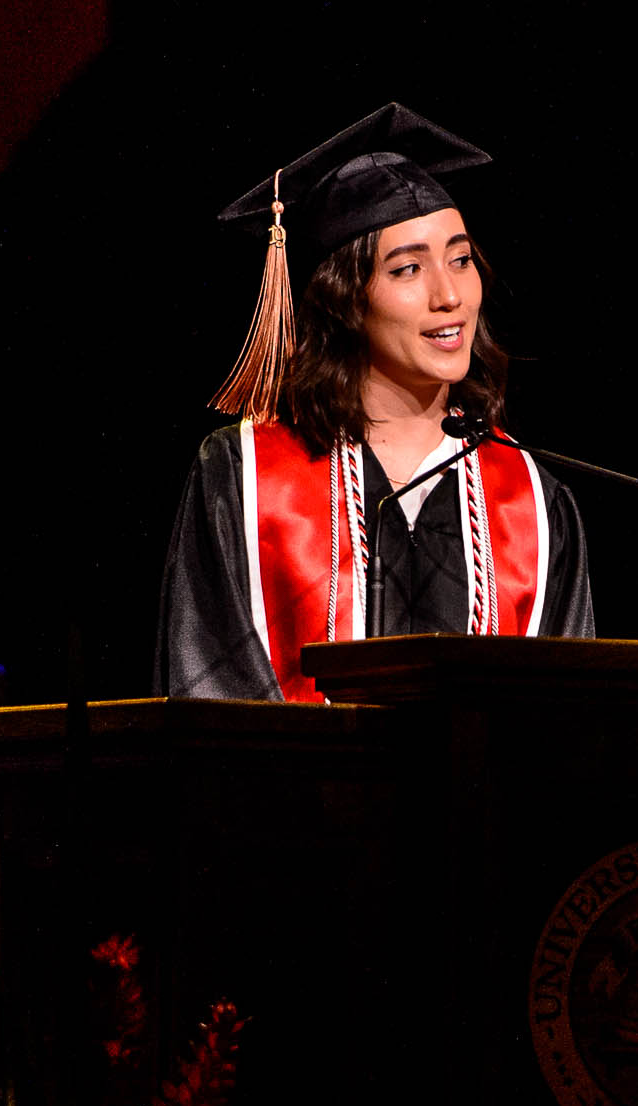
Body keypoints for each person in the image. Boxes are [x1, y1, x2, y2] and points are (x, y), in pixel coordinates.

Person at [156, 104, 594, 703]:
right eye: (408, 268)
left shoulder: (530, 499)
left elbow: (565, 721)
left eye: (461, 260)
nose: (449, 295)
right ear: (345, 300)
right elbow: (209, 699)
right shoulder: (248, 476)